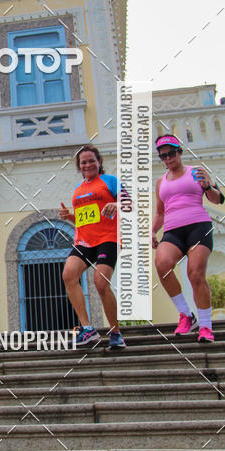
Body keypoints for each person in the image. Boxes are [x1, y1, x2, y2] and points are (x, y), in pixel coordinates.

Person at [152, 134, 224, 343]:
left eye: (171, 154)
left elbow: (217, 199)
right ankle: (186, 314)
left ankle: (205, 327)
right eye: (163, 156)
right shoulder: (160, 182)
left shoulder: (196, 172)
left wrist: (208, 187)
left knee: (195, 274)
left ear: (180, 152)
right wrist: (152, 231)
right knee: (162, 264)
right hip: (173, 230)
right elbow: (160, 212)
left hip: (198, 227)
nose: (168, 159)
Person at [60, 144, 125, 349]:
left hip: (108, 238)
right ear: (79, 166)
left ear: (99, 162)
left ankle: (115, 332)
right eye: (83, 162)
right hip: (85, 241)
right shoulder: (78, 190)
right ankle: (87, 329)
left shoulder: (110, 181)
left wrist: (117, 204)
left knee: (100, 283)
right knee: (68, 275)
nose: (87, 164)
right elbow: (85, 218)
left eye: (91, 161)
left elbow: (131, 203)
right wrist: (69, 216)